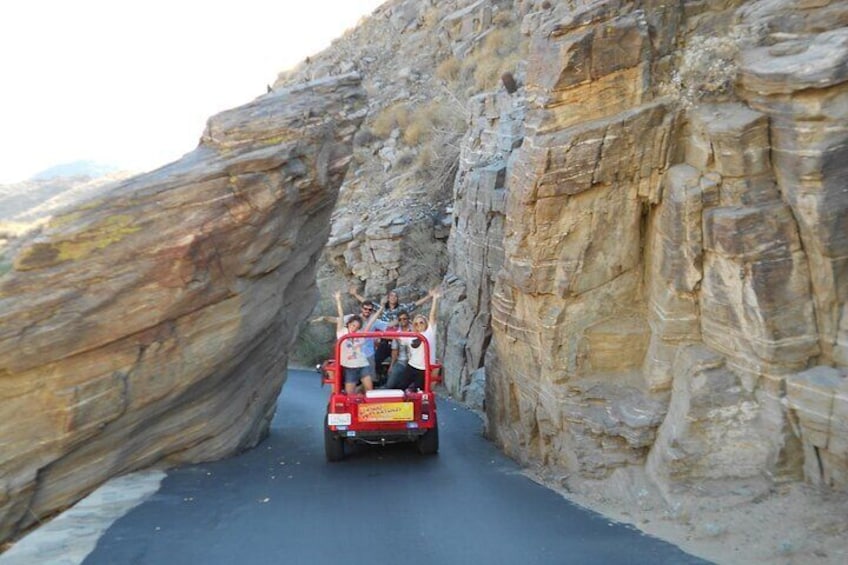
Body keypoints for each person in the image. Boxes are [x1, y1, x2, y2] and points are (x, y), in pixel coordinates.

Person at [334, 290, 383, 394]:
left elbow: (371, 322)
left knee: (370, 391)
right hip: (350, 367)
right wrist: (338, 300)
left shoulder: (360, 334)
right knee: (349, 394)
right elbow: (341, 316)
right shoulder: (341, 332)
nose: (354, 328)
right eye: (353, 325)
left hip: (362, 364)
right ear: (348, 324)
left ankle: (365, 404)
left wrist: (381, 309)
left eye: (357, 327)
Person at [391, 288, 440, 391]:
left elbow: (432, 315)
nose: (419, 325)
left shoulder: (429, 332)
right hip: (412, 365)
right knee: (400, 387)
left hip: (424, 369)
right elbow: (395, 336)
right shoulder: (411, 335)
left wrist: (434, 298)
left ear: (425, 323)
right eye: (416, 323)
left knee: (419, 392)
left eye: (421, 322)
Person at [384, 311, 413, 387]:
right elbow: (394, 350)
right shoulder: (397, 332)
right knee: (390, 384)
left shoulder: (415, 329)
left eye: (404, 319)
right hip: (401, 361)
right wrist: (392, 365)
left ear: (408, 319)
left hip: (414, 362)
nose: (402, 321)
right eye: (400, 319)